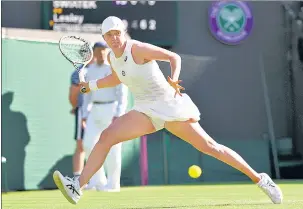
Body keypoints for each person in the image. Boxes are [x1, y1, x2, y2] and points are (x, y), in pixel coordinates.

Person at [53, 16, 283, 205]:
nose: (114, 38)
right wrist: (90, 86)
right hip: (144, 109)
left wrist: (173, 79)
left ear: (122, 33)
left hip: (169, 104)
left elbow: (173, 56)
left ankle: (261, 180)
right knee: (106, 137)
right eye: (109, 35)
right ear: (104, 38)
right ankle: (77, 186)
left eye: (117, 33)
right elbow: (116, 78)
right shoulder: (114, 58)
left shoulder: (139, 49)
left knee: (210, 147)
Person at [81, 42, 128, 192]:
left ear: (107, 52)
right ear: (93, 53)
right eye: (98, 51)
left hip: (112, 110)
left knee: (113, 148)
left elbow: (122, 94)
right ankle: (97, 182)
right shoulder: (89, 71)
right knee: (89, 144)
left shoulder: (114, 68)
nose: (101, 53)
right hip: (94, 110)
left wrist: (118, 114)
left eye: (103, 51)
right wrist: (84, 114)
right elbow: (87, 94)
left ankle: (113, 185)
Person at [68, 57, 94, 179]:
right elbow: (73, 93)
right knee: (81, 145)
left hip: (100, 111)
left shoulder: (106, 69)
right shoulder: (79, 72)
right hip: (83, 112)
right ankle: (78, 178)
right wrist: (76, 107)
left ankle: (96, 179)